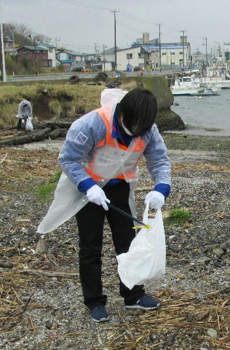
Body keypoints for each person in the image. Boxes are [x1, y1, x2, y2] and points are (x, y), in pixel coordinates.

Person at [38, 87, 171, 323]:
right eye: (133, 126)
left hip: (119, 186)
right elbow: (68, 158)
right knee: (91, 246)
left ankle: (133, 295)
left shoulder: (149, 130)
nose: (137, 132)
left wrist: (161, 188)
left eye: (142, 128)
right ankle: (95, 301)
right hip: (88, 191)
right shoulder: (92, 124)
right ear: (122, 114)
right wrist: (88, 186)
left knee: (128, 243)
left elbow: (159, 159)